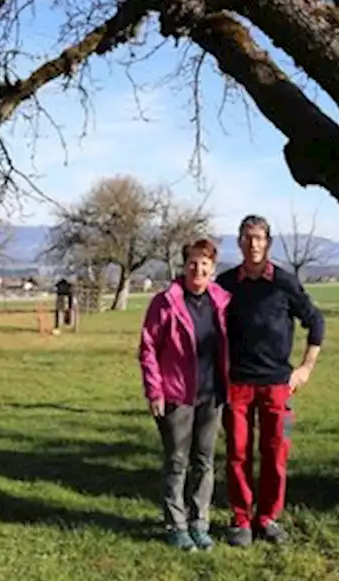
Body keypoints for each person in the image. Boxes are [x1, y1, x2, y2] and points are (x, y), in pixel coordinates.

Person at [216, 214, 324, 546]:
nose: (253, 244)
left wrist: (305, 368)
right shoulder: (226, 284)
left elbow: (315, 321)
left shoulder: (284, 283)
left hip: (279, 386)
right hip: (237, 385)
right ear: (239, 243)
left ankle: (268, 517)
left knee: (277, 452)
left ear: (268, 243)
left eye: (259, 238)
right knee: (237, 453)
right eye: (247, 238)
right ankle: (241, 520)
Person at [138, 238, 231, 551]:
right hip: (177, 395)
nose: (198, 268)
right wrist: (155, 391)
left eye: (205, 263)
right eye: (193, 262)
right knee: (177, 462)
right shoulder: (165, 302)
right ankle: (176, 525)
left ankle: (199, 523)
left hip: (212, 394)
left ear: (213, 268)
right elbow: (148, 347)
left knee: (205, 462)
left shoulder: (222, 300)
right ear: (184, 264)